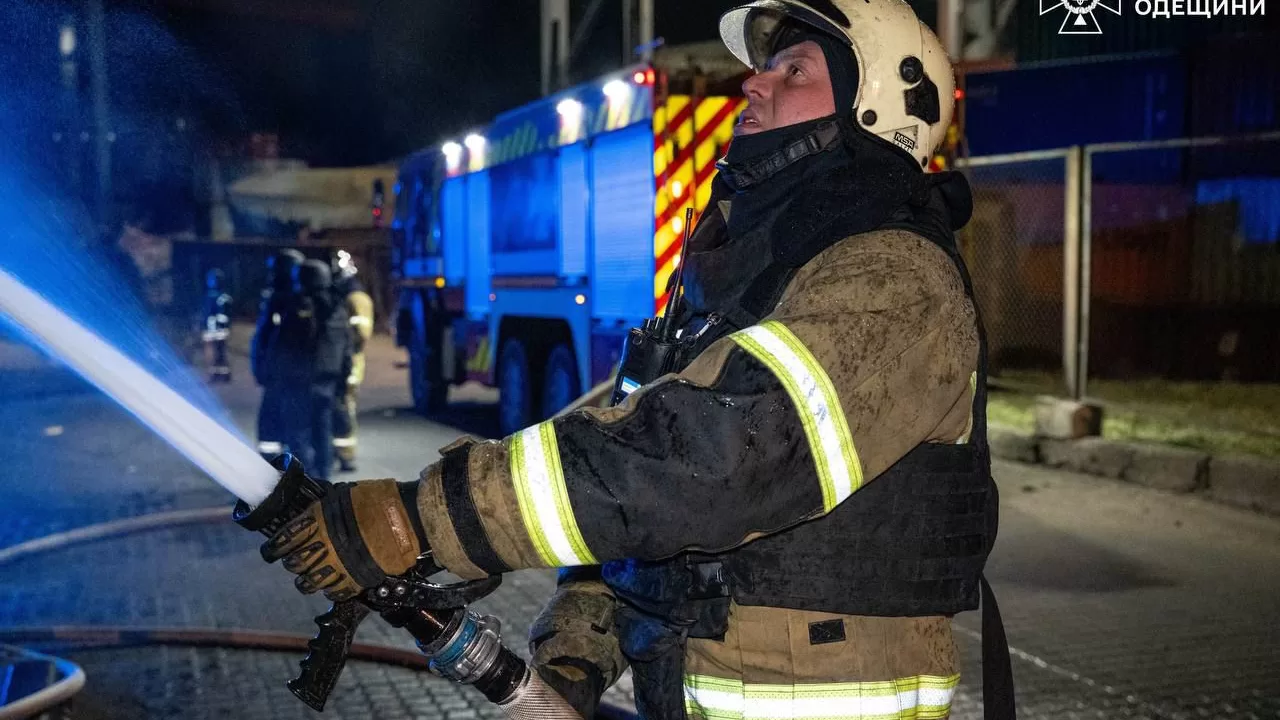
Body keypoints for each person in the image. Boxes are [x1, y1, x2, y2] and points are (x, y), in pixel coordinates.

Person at [256, 1, 1014, 718]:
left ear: (874, 109)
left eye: (795, 70)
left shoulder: (894, 279)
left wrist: (423, 517)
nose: (753, 80)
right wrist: (581, 646)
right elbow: (639, 475)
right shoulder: (754, 271)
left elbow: (710, 462)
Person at [276, 259, 351, 482]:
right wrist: (343, 380)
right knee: (323, 431)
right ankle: (324, 479)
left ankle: (303, 482)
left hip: (301, 380)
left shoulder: (300, 306)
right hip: (329, 381)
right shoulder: (338, 307)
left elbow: (287, 344)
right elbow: (346, 348)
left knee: (298, 431)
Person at [251, 248, 306, 458]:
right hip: (287, 375)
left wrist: (260, 367)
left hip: (282, 374)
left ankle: (277, 462)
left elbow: (264, 339)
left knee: (274, 419)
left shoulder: (284, 301)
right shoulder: (294, 299)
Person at [330, 249, 375, 473]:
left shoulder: (356, 298)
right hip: (342, 359)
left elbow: (361, 333)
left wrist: (340, 344)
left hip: (351, 362)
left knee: (345, 406)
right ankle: (338, 452)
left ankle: (346, 455)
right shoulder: (345, 296)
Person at [201, 268, 232, 383]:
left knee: (219, 353)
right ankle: (218, 374)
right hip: (213, 330)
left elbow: (224, 314)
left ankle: (222, 375)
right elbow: (206, 313)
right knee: (216, 353)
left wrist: (215, 323)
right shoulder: (213, 296)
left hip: (218, 330)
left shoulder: (221, 297)